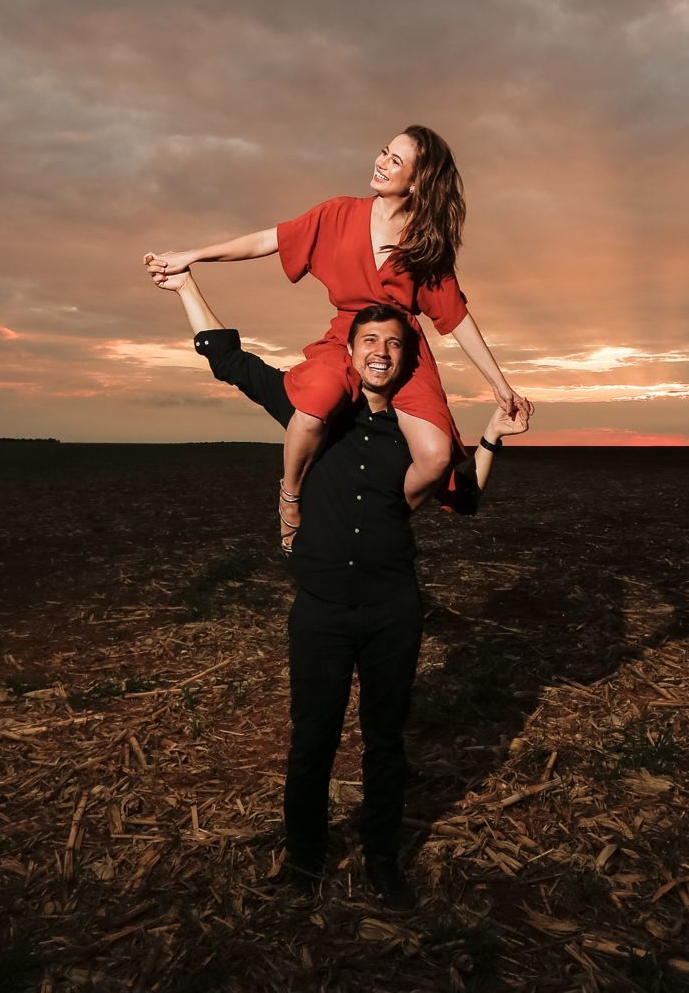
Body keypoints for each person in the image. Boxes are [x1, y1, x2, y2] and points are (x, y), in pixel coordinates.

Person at [149, 264, 532, 909]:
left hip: (391, 612)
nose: (381, 353)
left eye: (393, 345)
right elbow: (229, 361)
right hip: (321, 614)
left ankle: (383, 860)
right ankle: (304, 861)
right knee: (313, 738)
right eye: (369, 344)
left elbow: (462, 498)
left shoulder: (414, 437)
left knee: (384, 740)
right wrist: (188, 288)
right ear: (350, 353)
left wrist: (495, 434)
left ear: (406, 359)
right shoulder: (314, 414)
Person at [144, 125, 528, 553]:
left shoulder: (427, 243)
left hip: (404, 347)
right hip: (349, 335)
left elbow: (456, 317)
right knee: (311, 409)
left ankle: (382, 522)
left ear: (418, 181)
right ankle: (289, 500)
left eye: (396, 161)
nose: (381, 162)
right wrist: (192, 256)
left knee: (437, 456)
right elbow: (267, 240)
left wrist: (499, 383)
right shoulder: (338, 213)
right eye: (384, 152)